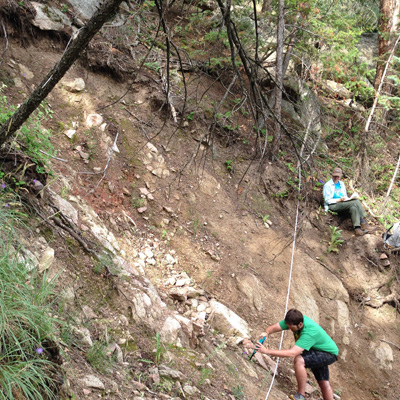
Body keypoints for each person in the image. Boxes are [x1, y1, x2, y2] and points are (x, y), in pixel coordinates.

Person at [248, 309, 339, 400]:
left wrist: (266, 351)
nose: (290, 329)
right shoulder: (293, 320)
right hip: (317, 349)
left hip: (328, 353)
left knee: (299, 360)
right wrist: (266, 332)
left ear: (300, 324)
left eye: (291, 327)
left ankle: (301, 395)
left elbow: (292, 353)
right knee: (323, 383)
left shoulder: (309, 333)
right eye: (288, 326)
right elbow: (272, 328)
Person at [323, 167, 373, 236]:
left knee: (353, 208)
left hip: (342, 203)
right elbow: (327, 200)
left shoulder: (341, 184)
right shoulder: (327, 185)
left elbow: (344, 195)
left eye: (338, 176)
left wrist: (347, 199)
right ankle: (364, 222)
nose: (336, 178)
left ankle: (357, 229)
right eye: (335, 176)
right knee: (356, 201)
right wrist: (339, 200)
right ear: (332, 175)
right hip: (333, 205)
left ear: (340, 176)